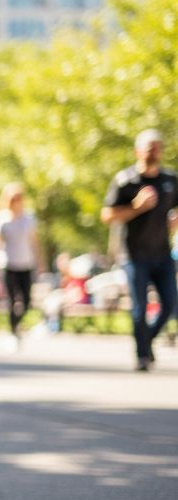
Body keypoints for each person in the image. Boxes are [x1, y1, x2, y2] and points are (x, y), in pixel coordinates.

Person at [101, 129, 178, 371]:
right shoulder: (126, 181)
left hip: (162, 254)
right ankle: (142, 355)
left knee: (170, 304)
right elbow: (107, 215)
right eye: (148, 147)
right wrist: (136, 207)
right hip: (134, 255)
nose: (152, 151)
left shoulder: (170, 180)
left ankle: (147, 340)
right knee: (139, 307)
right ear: (137, 151)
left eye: (156, 147)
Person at [0, 182, 44, 348]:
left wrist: (40, 263)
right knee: (11, 300)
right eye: (13, 198)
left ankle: (17, 325)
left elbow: (35, 242)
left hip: (26, 263)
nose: (16, 201)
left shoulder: (29, 218)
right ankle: (12, 332)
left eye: (19, 198)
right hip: (8, 264)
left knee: (26, 300)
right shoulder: (1, 219)